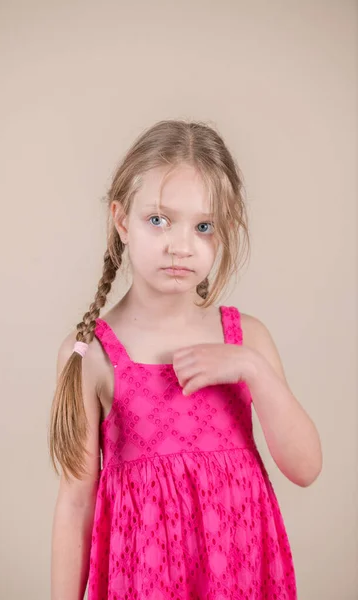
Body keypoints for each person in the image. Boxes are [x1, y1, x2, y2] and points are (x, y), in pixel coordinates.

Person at [49, 119, 322, 600]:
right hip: (148, 578)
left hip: (239, 571)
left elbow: (306, 467)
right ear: (121, 220)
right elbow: (75, 505)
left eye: (203, 226)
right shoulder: (93, 353)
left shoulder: (247, 339)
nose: (181, 245)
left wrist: (252, 369)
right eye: (158, 220)